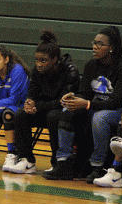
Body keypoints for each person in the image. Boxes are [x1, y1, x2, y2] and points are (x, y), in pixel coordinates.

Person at [44, 26, 122, 183]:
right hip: (95, 106)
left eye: (99, 44)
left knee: (100, 118)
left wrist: (87, 104)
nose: (94, 47)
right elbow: (84, 93)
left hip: (120, 111)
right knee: (65, 111)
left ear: (111, 48)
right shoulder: (91, 65)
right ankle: (64, 162)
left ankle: (98, 165)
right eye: (94, 43)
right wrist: (72, 98)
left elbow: (116, 102)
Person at [8, 30, 80, 174]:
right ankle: (26, 160)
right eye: (36, 60)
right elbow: (32, 93)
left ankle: (57, 162)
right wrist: (29, 103)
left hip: (63, 111)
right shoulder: (36, 71)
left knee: (53, 116)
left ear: (54, 60)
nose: (39, 64)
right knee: (21, 114)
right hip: (42, 109)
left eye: (43, 61)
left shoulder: (69, 71)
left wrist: (38, 106)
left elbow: (64, 101)